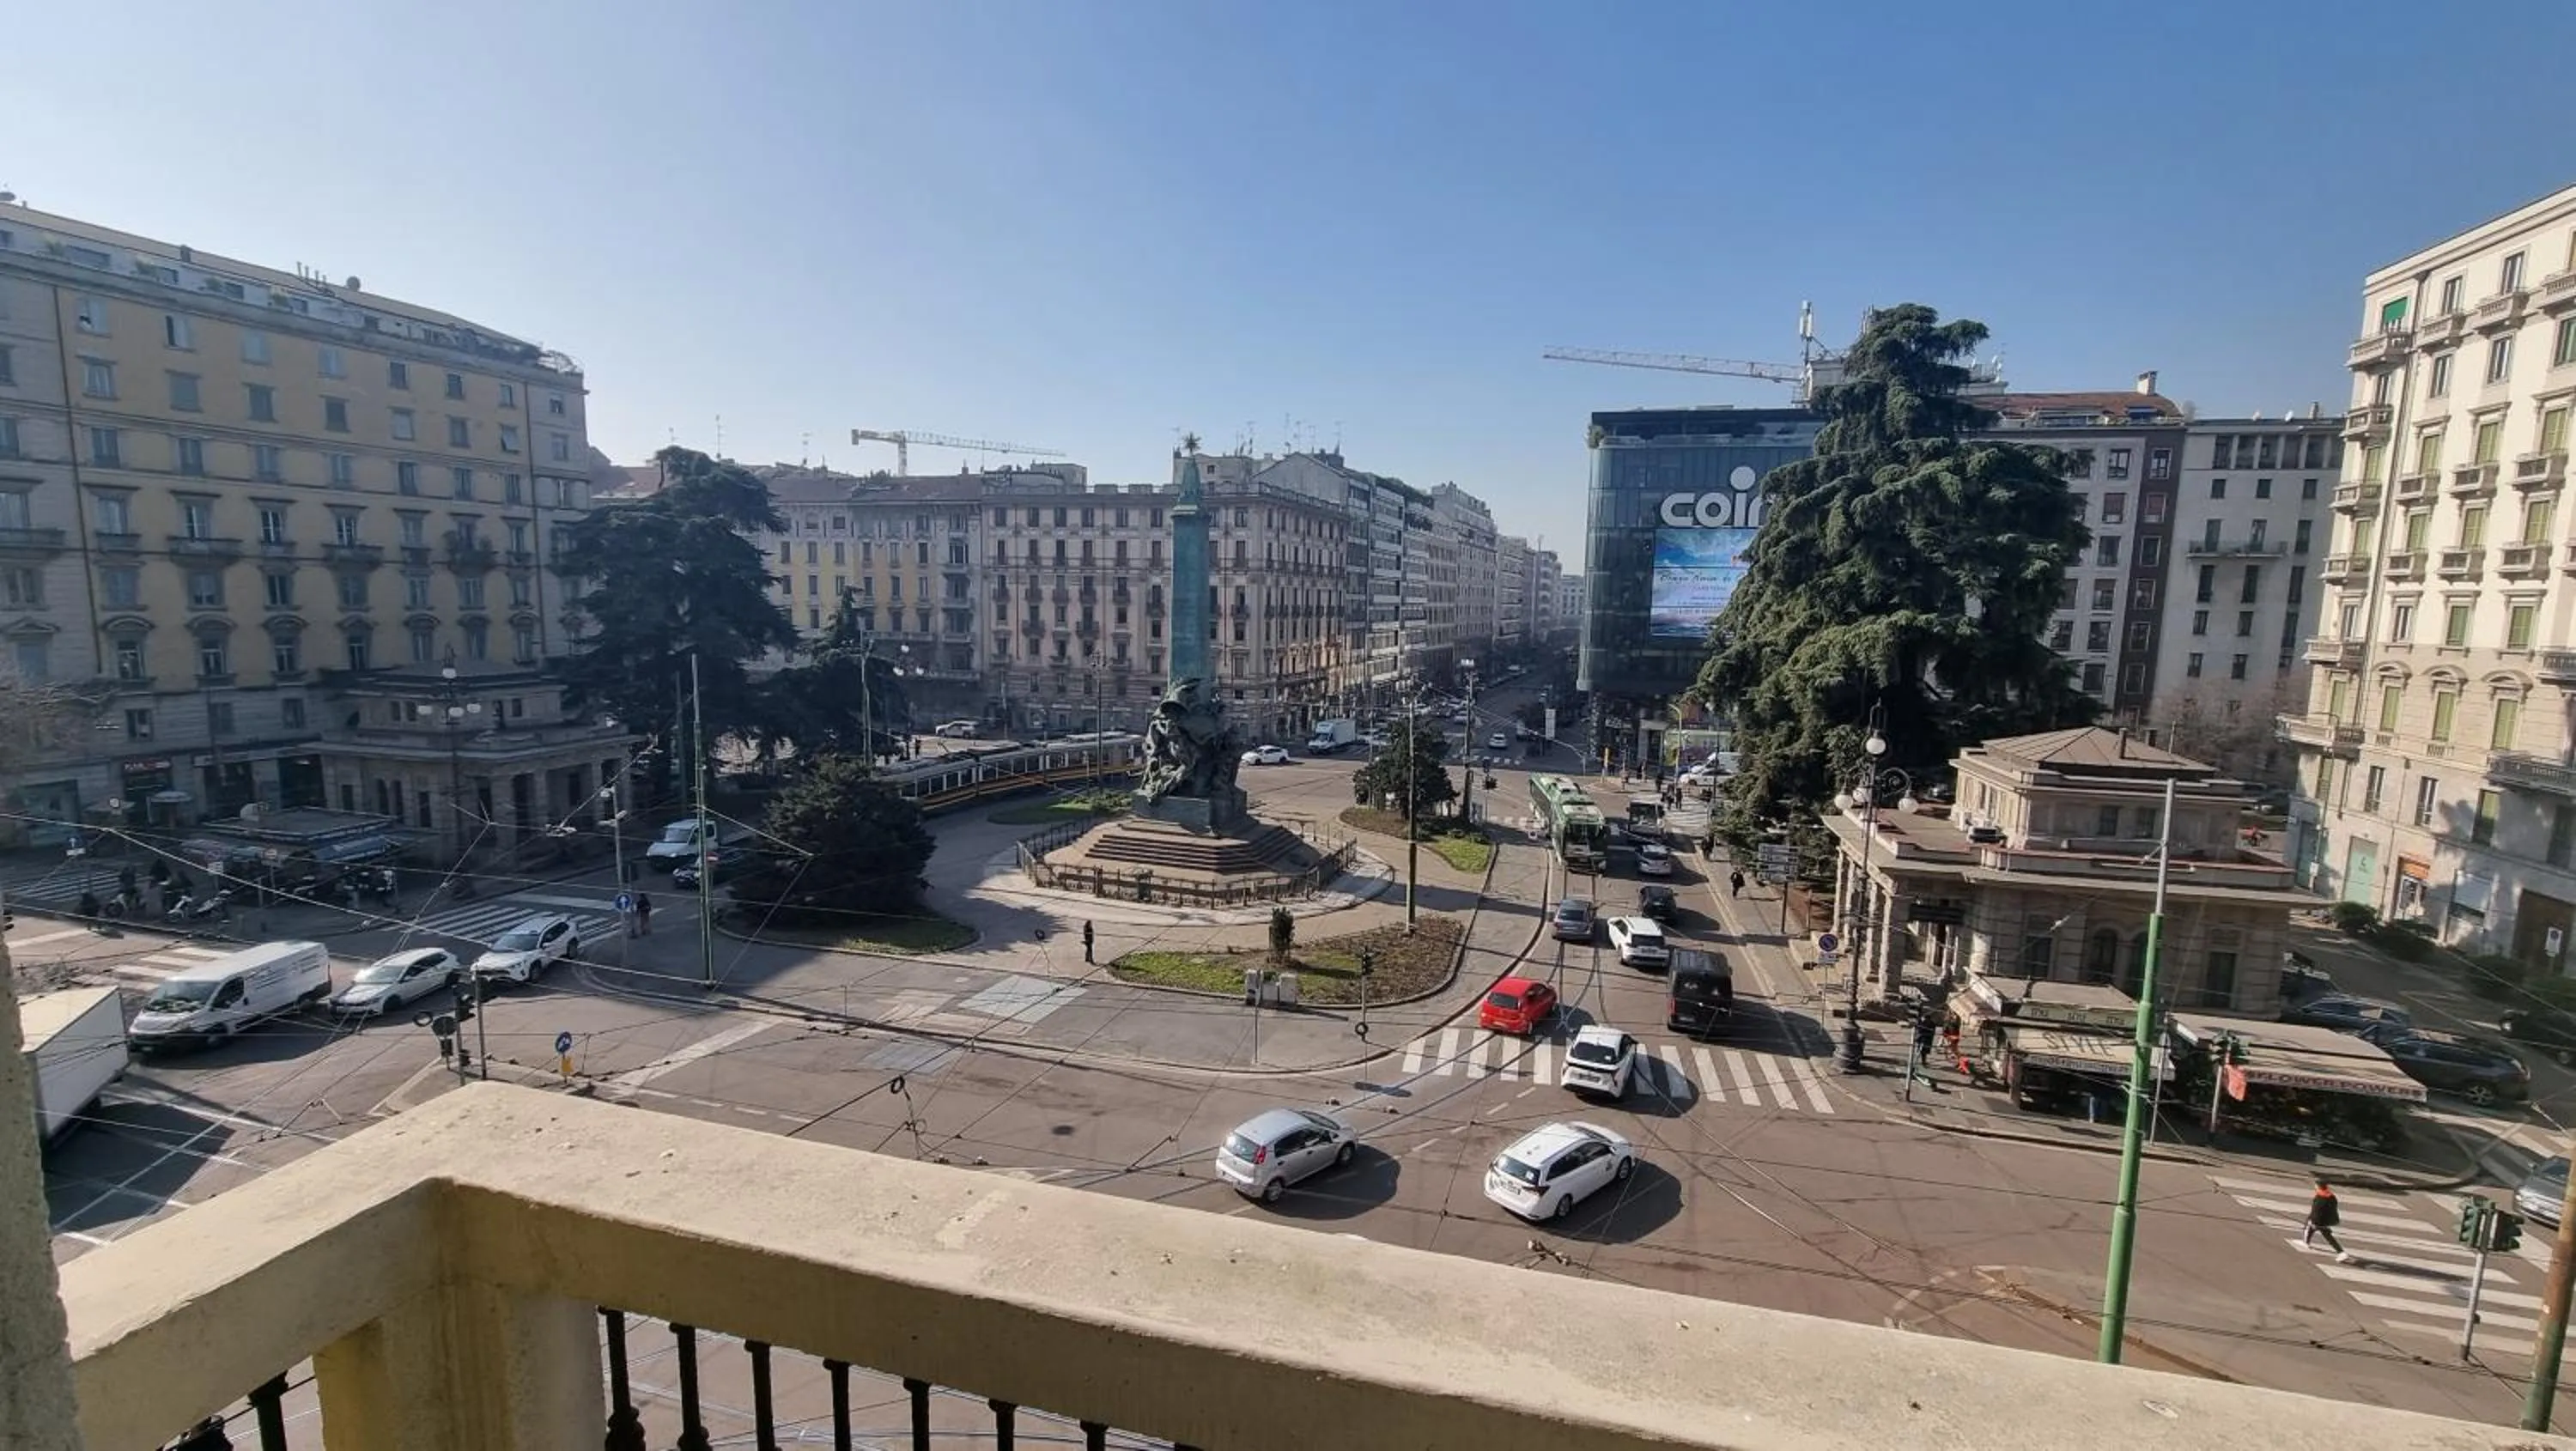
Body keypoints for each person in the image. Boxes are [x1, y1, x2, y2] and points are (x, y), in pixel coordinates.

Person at [2304, 1180, 2351, 1261]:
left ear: (2318, 1187)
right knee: (2310, 1228)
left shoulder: (2320, 1198)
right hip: (2328, 1220)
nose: (2315, 1187)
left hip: (2320, 1221)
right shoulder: (2331, 1196)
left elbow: (2316, 1212)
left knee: (2326, 1235)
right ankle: (2306, 1242)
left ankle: (2341, 1253)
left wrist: (2314, 1222)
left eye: (2316, 1186)